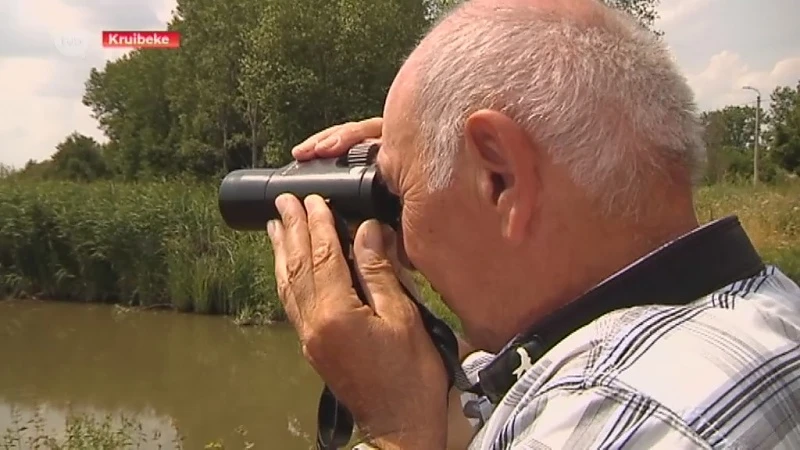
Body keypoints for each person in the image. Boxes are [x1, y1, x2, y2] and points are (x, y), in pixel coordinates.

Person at [265, 0, 800, 448]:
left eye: (401, 195)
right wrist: (425, 151)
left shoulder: (623, 417)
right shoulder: (766, 309)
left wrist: (397, 425)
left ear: (500, 178)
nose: (402, 247)